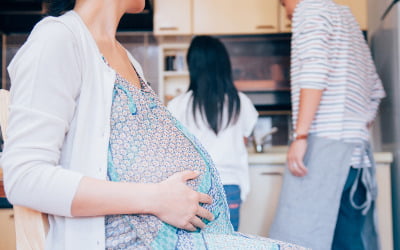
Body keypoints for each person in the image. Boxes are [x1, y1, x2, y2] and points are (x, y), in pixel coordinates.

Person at [0, 0, 305, 249]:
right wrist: (156, 199)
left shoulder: (126, 58)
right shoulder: (58, 38)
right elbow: (25, 177)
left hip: (184, 235)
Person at [269, 0, 386, 249]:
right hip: (356, 157)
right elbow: (375, 89)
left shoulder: (310, 10)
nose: (286, 12)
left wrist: (301, 137)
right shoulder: (346, 19)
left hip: (322, 153)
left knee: (297, 241)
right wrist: (355, 129)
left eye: (283, 4)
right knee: (350, 242)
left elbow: (315, 69)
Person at [168, 36, 258, 231]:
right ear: (224, 65)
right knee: (227, 243)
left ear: (193, 66)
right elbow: (243, 140)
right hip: (230, 186)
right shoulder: (241, 102)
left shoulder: (177, 106)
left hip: (194, 190)